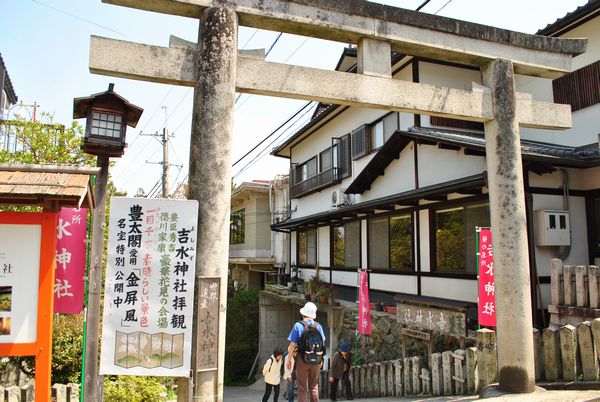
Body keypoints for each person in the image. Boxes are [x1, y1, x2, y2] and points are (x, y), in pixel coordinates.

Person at [287, 301, 326, 402]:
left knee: (302, 388)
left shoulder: (298, 326)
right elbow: (323, 345)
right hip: (316, 360)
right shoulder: (318, 326)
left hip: (302, 360)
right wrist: (321, 359)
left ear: (303, 313)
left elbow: (292, 345)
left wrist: (289, 359)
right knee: (314, 386)